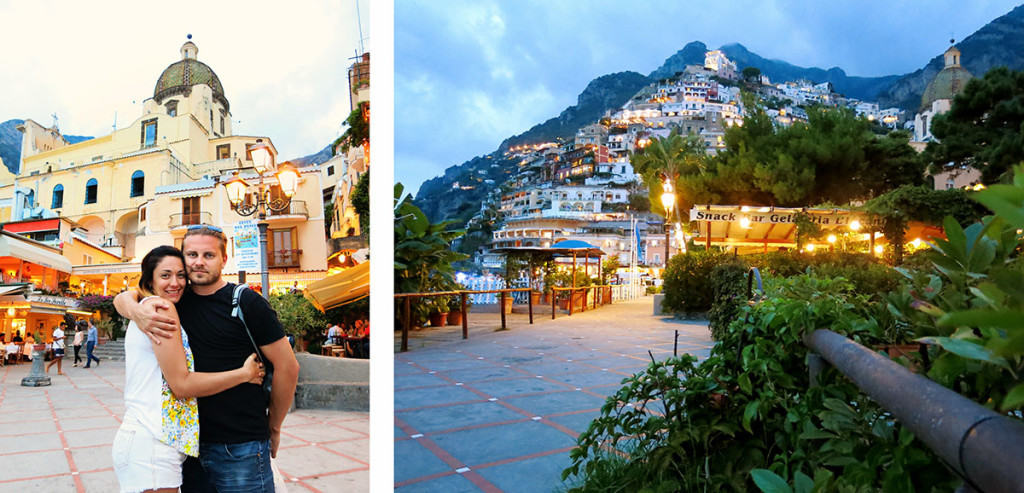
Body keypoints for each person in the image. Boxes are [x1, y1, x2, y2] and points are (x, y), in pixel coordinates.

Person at [115, 225, 299, 491]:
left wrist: (274, 427)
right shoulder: (174, 299)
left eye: (208, 255)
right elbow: (129, 295)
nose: (198, 262)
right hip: (189, 447)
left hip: (240, 443)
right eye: (191, 255)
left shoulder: (246, 302)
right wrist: (135, 310)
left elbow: (288, 367)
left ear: (224, 259)